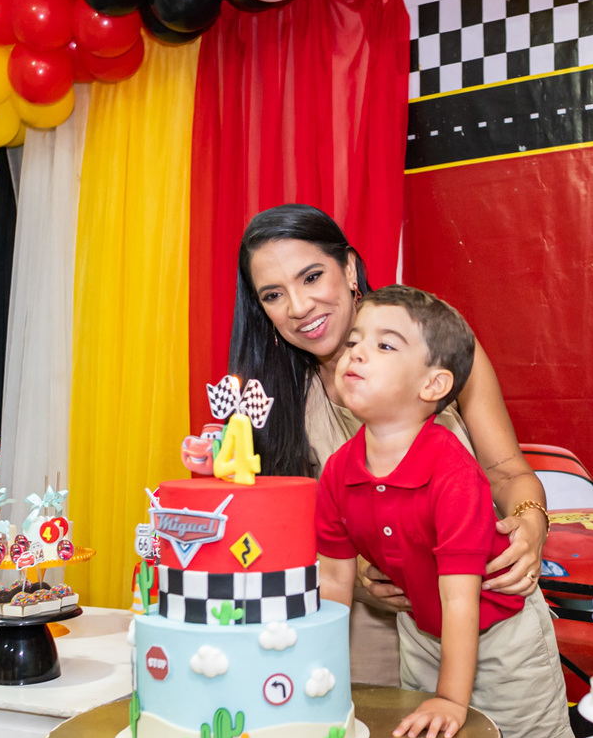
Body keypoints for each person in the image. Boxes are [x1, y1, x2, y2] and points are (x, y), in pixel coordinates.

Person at [230, 204, 550, 686]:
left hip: (490, 630)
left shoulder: (436, 346)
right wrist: (358, 572)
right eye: (274, 294)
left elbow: (505, 469)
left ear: (350, 268)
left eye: (312, 277)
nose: (298, 307)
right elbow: (274, 537)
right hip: (358, 637)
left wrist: (532, 519)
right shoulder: (264, 398)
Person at [315, 285, 573, 738]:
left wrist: (452, 698)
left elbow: (460, 599)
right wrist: (322, 677)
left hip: (501, 639)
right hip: (422, 632)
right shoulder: (338, 470)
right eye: (354, 341)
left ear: (432, 385)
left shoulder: (451, 471)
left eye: (384, 345)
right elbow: (333, 579)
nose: (357, 353)